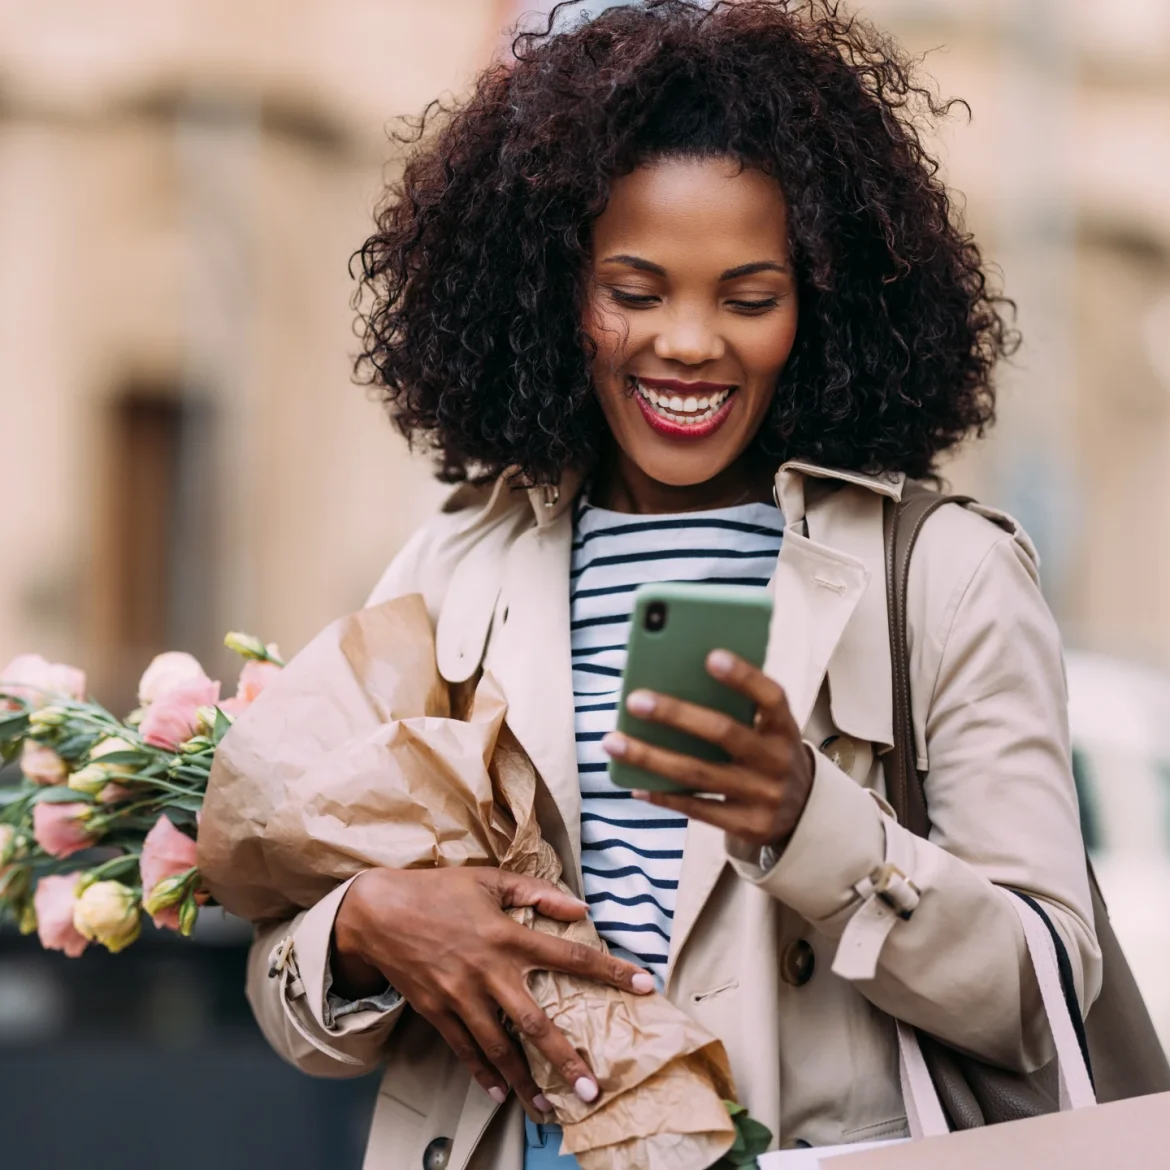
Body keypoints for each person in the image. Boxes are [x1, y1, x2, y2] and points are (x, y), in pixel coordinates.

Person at [244, 3, 1101, 1167]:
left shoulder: (944, 576)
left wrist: (813, 823)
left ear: (823, 305)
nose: (690, 343)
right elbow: (290, 997)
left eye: (749, 298)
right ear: (558, 296)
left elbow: (1043, 991)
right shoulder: (458, 562)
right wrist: (365, 927)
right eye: (635, 292)